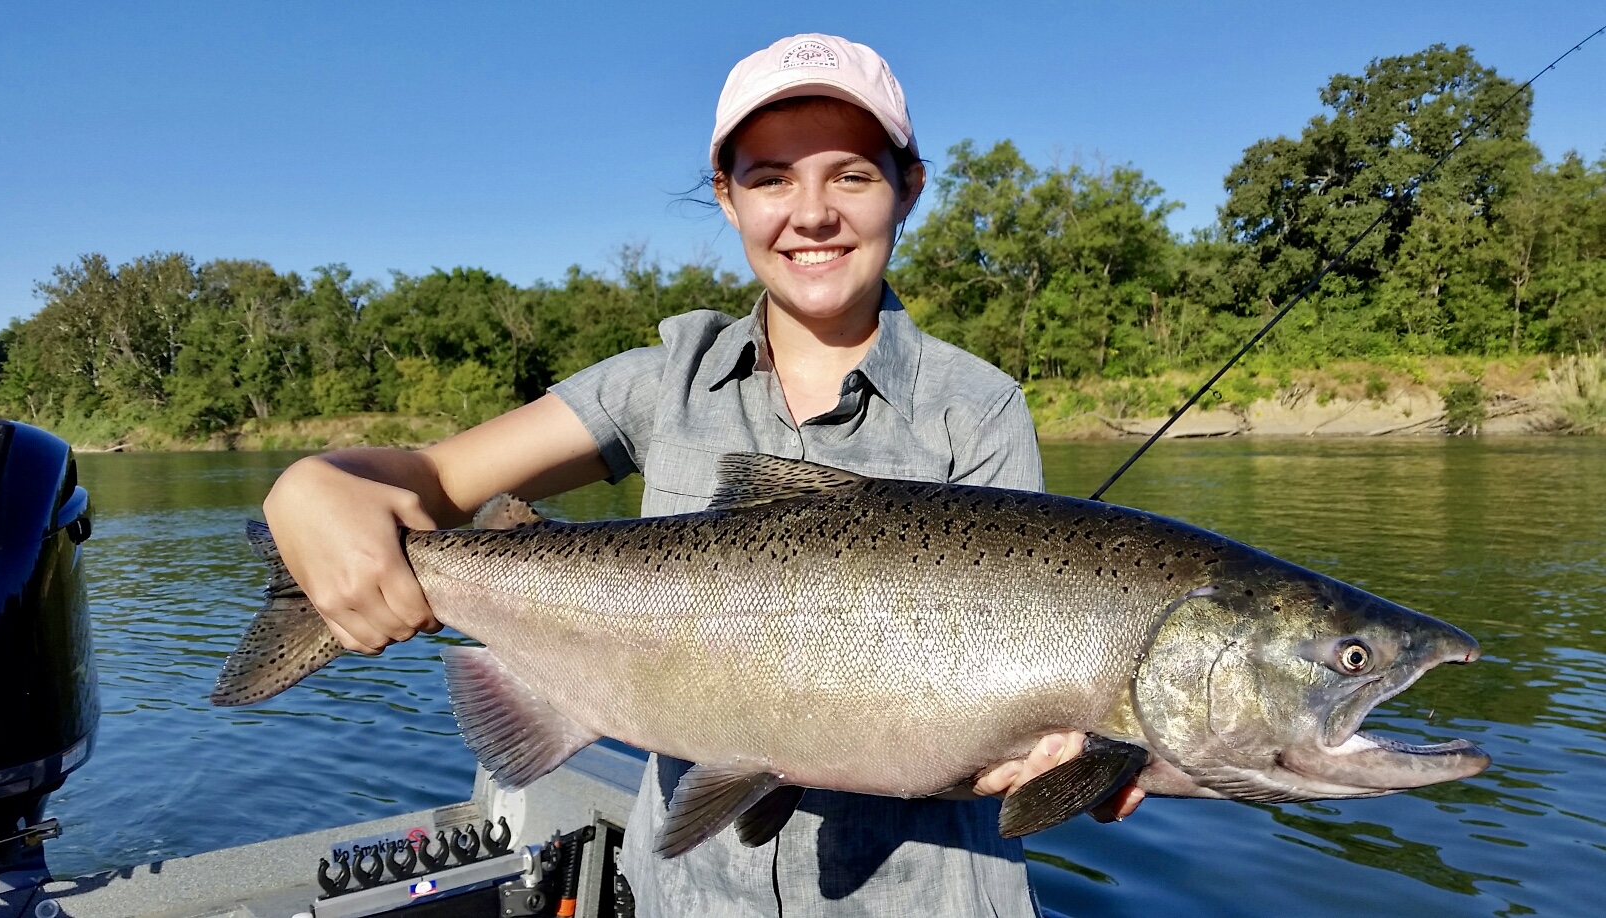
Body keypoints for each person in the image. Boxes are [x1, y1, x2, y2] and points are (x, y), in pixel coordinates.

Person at [263, 32, 1140, 917]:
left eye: (852, 175)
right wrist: (311, 485)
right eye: (770, 178)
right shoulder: (659, 382)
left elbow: (1032, 716)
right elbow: (429, 476)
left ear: (908, 188)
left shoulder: (979, 410)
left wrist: (1070, 764)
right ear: (726, 197)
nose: (812, 213)